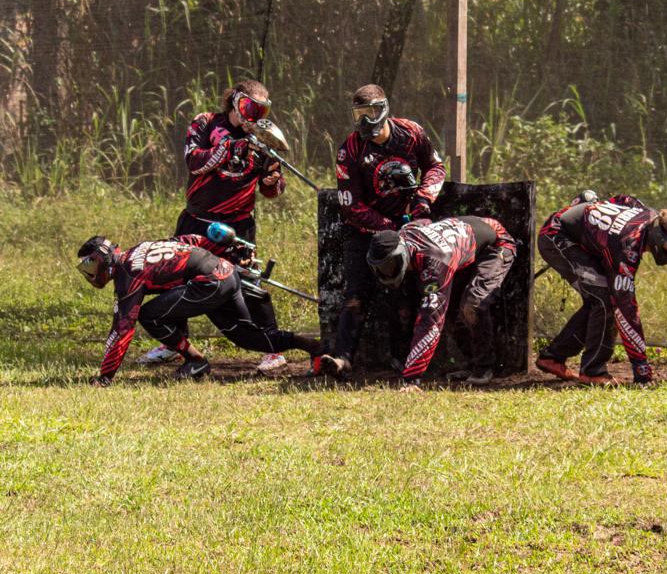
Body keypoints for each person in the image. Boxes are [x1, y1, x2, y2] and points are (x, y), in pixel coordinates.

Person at [140, 79, 288, 372]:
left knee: (249, 281)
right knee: (177, 277)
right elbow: (194, 162)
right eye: (250, 108)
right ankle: (173, 343)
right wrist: (231, 148)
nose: (254, 117)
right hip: (197, 219)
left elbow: (273, 189)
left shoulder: (263, 137)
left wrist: (273, 182)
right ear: (235, 102)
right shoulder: (206, 123)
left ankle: (273, 348)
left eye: (261, 111)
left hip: (238, 225)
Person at [77, 234, 322, 385]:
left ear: (101, 258)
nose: (90, 275)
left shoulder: (127, 275)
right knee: (247, 337)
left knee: (149, 316)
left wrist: (105, 377)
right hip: (225, 273)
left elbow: (122, 329)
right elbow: (187, 240)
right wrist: (226, 252)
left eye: (89, 266)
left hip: (209, 284)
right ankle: (315, 347)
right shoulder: (138, 248)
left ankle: (196, 361)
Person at [320, 84, 446, 376]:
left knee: (407, 298)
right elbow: (351, 206)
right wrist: (390, 228)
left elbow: (436, 168)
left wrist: (423, 197)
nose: (366, 120)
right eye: (359, 114)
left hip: (410, 228)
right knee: (355, 298)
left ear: (385, 109)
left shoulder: (411, 133)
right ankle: (342, 359)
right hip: (364, 233)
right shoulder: (350, 150)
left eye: (372, 112)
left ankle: (406, 360)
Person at [535, 194, 667, 386]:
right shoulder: (627, 246)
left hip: (574, 234)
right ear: (658, 236)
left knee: (598, 299)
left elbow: (624, 199)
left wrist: (596, 213)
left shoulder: (649, 215)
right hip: (556, 237)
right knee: (607, 300)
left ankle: (553, 357)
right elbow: (626, 309)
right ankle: (592, 372)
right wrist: (641, 368)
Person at [361, 215, 517, 388]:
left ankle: (483, 367)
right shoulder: (405, 233)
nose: (386, 273)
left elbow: (431, 321)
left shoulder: (436, 261)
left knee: (472, 304)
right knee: (450, 308)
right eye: (380, 268)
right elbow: (424, 222)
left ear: (402, 252)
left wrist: (412, 378)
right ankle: (473, 364)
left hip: (496, 244)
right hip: (463, 246)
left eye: (389, 265)